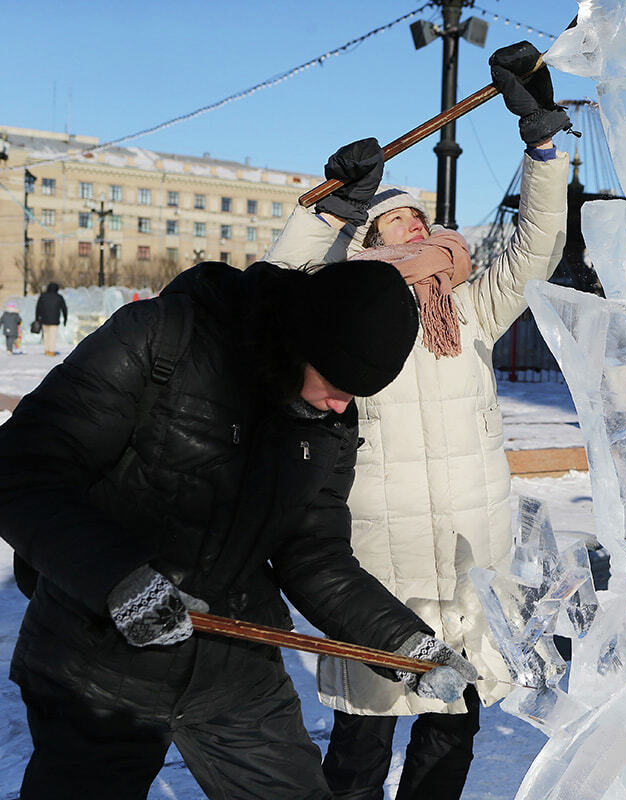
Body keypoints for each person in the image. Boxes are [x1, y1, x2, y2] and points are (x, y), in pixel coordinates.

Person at [0, 257, 480, 799]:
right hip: (98, 664)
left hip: (235, 675)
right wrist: (119, 580)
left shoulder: (328, 420)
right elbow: (22, 469)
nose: (343, 404)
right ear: (300, 339)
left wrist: (402, 642)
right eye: (337, 382)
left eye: (358, 394)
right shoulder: (160, 339)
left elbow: (315, 554)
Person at [265, 41, 570, 800]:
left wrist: (541, 146)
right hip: (378, 560)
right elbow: (274, 291)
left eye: (415, 218)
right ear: (363, 239)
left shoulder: (466, 306)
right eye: (389, 221)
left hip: (472, 561)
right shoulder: (337, 315)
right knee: (362, 743)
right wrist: (329, 204)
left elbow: (537, 246)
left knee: (453, 731)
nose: (410, 229)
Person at [34, 281, 67, 355]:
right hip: (55, 320)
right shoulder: (59, 297)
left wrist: (37, 318)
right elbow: (64, 309)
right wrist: (65, 319)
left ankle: (47, 350)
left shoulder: (42, 296)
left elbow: (38, 308)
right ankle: (51, 351)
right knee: (52, 335)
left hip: (44, 319)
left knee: (46, 335)